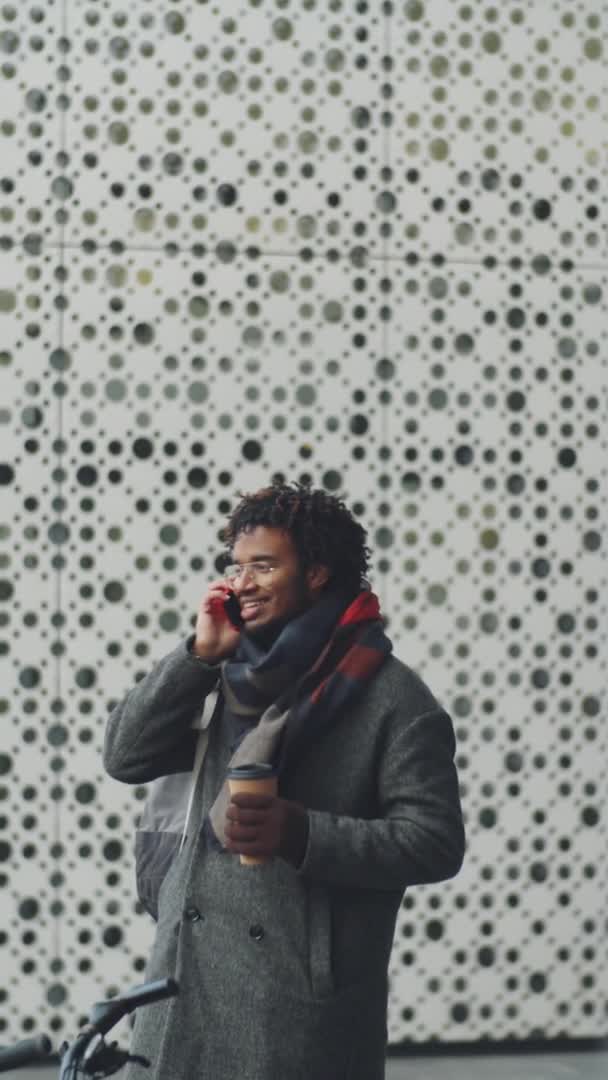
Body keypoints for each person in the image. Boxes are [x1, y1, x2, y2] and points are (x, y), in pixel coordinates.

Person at [103, 480, 465, 1080]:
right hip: (182, 984)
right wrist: (196, 655)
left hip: (294, 1004)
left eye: (263, 566)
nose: (240, 583)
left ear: (318, 572)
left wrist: (301, 833)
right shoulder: (220, 667)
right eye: (236, 566)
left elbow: (434, 842)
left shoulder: (394, 698)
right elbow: (124, 757)